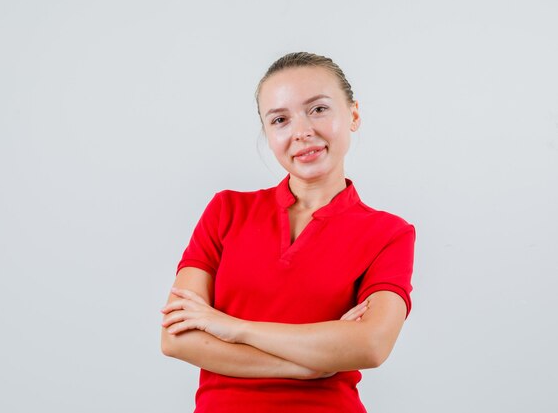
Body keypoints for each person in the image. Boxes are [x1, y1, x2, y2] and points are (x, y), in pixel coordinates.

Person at [160, 52, 416, 413]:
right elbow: (177, 338)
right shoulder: (226, 211)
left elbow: (372, 345)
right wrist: (308, 363)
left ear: (353, 115)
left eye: (318, 109)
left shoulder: (389, 233)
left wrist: (233, 328)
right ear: (268, 132)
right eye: (280, 119)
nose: (302, 132)